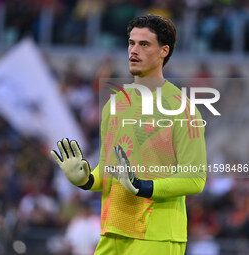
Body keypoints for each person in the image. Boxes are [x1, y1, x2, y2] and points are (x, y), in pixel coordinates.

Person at [51, 14, 207, 255]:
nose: (134, 50)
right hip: (113, 230)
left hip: (156, 235)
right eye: (131, 43)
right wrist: (86, 180)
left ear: (164, 51)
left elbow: (195, 178)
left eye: (144, 44)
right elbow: (109, 171)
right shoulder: (113, 106)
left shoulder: (183, 108)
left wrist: (142, 186)